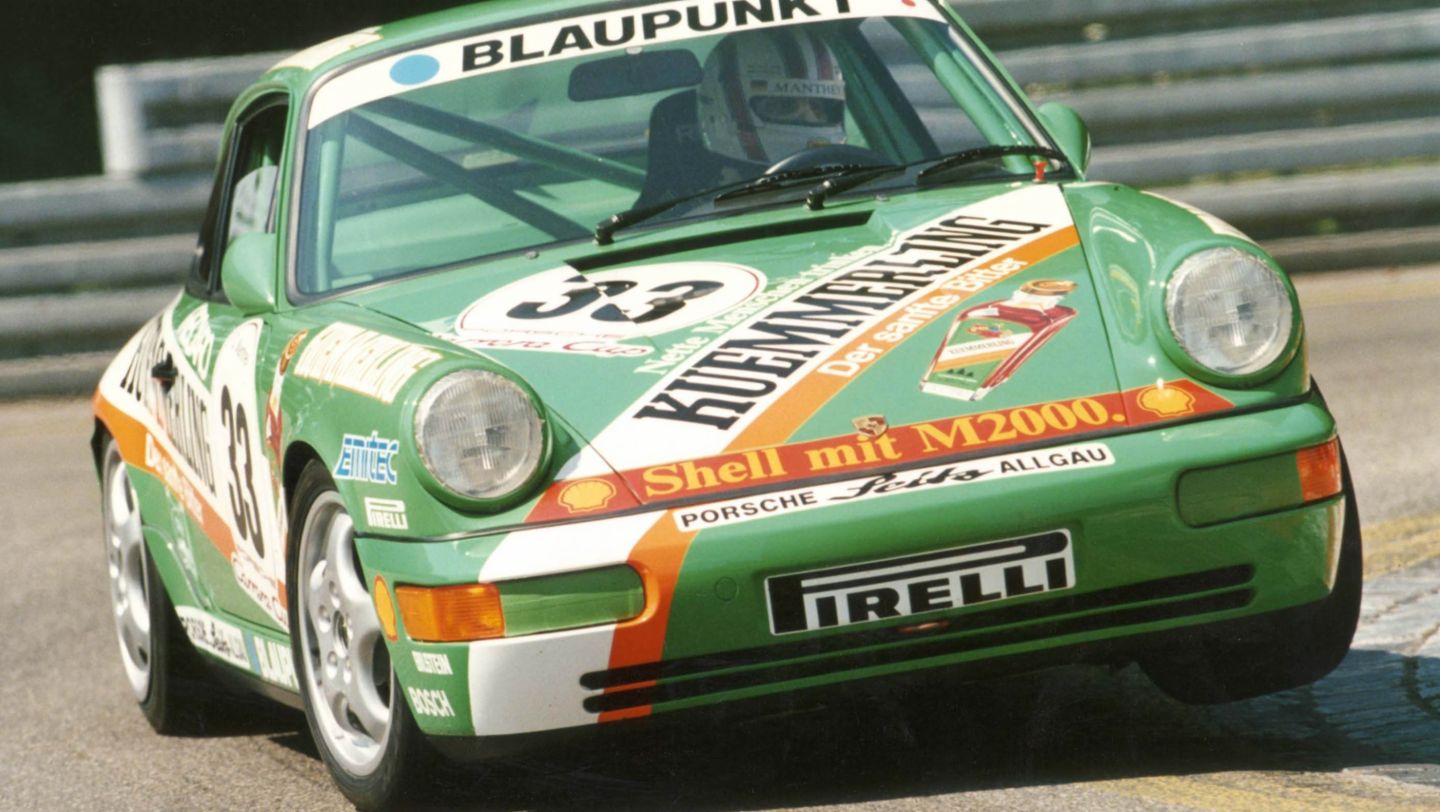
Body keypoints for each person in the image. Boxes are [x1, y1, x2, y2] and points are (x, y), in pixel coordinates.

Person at [638, 28, 848, 207]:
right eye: (785, 105)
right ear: (725, 110)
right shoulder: (686, 215)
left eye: (820, 107)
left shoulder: (862, 181)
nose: (810, 119)